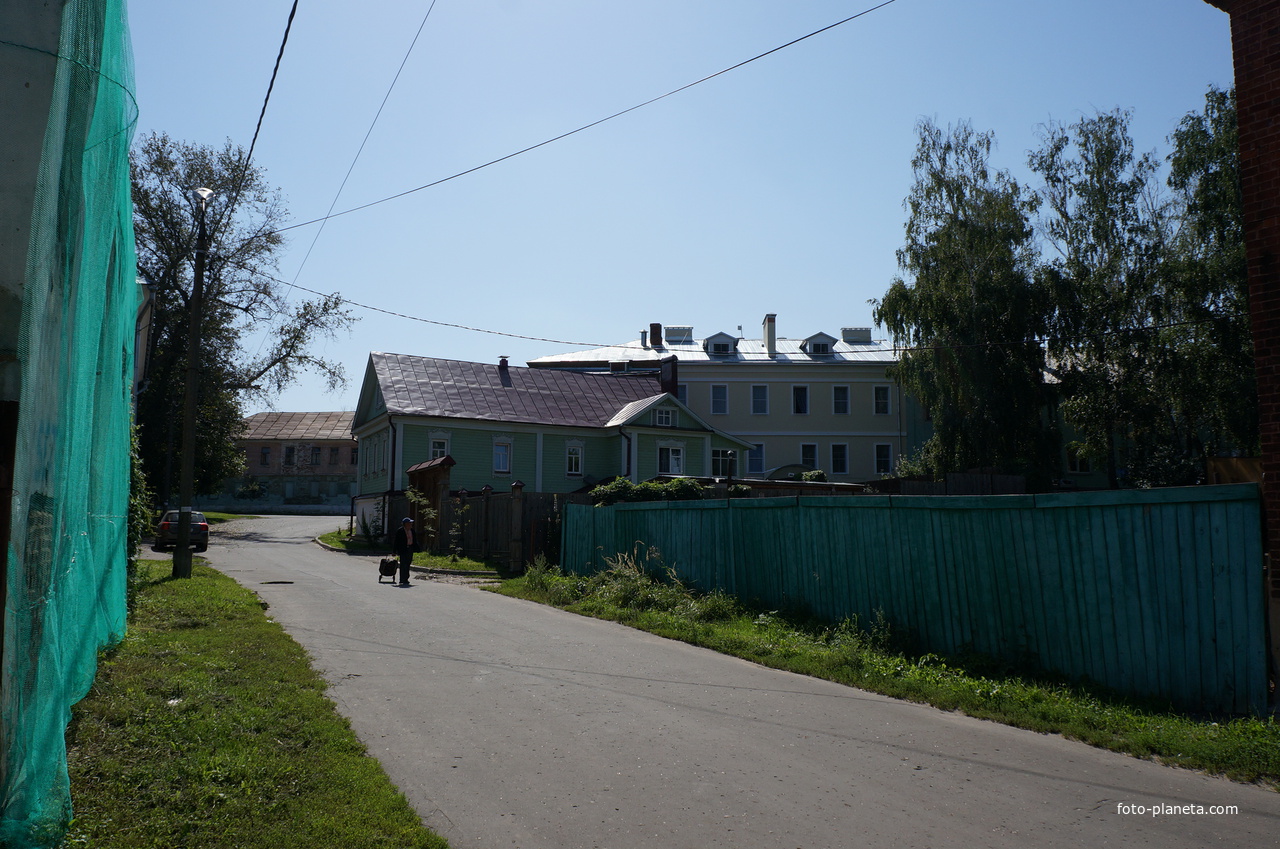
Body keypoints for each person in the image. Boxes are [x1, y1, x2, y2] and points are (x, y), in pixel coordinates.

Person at [392, 517, 418, 586]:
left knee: (408, 564)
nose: (411, 524)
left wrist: (417, 548)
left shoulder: (412, 531)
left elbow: (414, 540)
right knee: (403, 564)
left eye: (411, 523)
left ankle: (406, 579)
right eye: (409, 523)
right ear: (405, 524)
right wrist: (394, 551)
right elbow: (396, 542)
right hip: (403, 549)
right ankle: (402, 579)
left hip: (410, 549)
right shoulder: (400, 531)